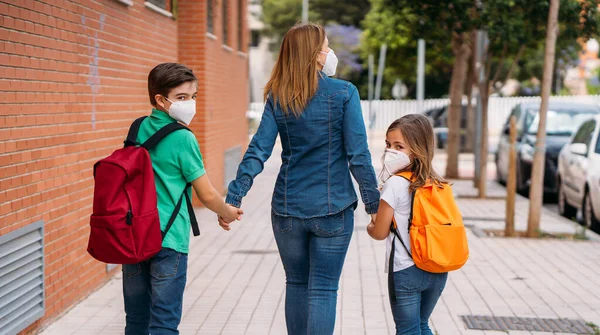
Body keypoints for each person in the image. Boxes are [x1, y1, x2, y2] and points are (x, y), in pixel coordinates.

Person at [222, 23, 380, 334]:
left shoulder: (278, 97)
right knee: (323, 289)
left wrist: (234, 197)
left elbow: (258, 149)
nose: (329, 51)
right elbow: (358, 154)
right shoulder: (344, 93)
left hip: (287, 209)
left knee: (296, 283)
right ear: (315, 55)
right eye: (325, 46)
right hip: (333, 209)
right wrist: (373, 203)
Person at [122, 63, 243, 335]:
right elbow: (207, 193)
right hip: (168, 239)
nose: (190, 104)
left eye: (193, 97)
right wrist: (228, 212)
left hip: (132, 235)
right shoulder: (182, 138)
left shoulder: (137, 128)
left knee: (136, 320)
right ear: (160, 100)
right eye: (181, 98)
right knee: (164, 323)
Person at [367, 114, 449, 335]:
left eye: (398, 146)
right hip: (438, 267)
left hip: (406, 269)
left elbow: (380, 233)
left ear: (416, 149)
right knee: (421, 326)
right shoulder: (438, 183)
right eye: (388, 145)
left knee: (407, 330)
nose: (390, 151)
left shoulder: (395, 184)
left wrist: (371, 223)